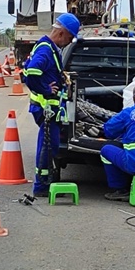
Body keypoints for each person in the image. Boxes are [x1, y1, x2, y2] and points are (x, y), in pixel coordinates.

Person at [23, 13, 81, 197]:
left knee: (51, 146)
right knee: (48, 147)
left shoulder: (49, 47)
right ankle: (41, 186)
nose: (69, 41)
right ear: (62, 33)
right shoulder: (46, 50)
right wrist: (45, 90)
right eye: (70, 37)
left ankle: (47, 183)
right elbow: (31, 72)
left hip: (50, 109)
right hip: (46, 109)